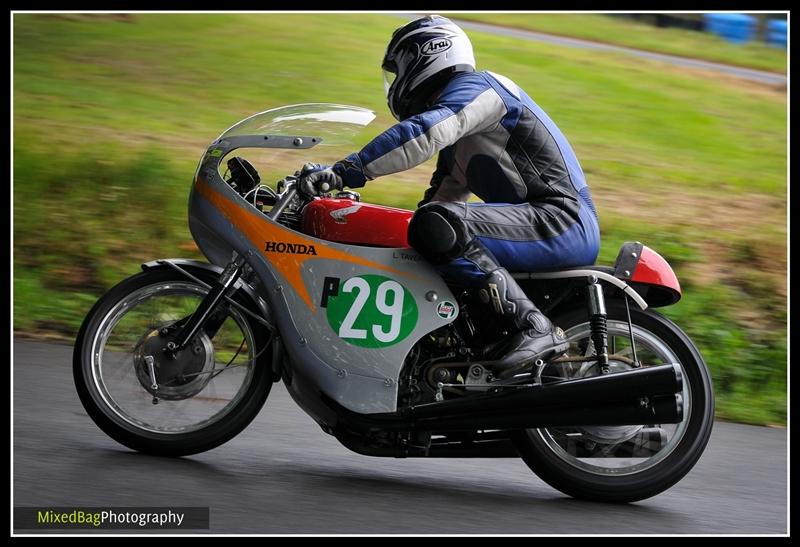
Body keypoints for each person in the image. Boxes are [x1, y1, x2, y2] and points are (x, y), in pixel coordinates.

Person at [298, 15, 600, 377]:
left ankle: (534, 327)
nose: (396, 82)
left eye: (401, 66)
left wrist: (344, 171)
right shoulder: (462, 138)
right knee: (432, 226)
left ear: (429, 53)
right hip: (544, 223)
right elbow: (436, 208)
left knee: (440, 222)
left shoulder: (481, 88)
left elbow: (425, 132)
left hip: (561, 221)